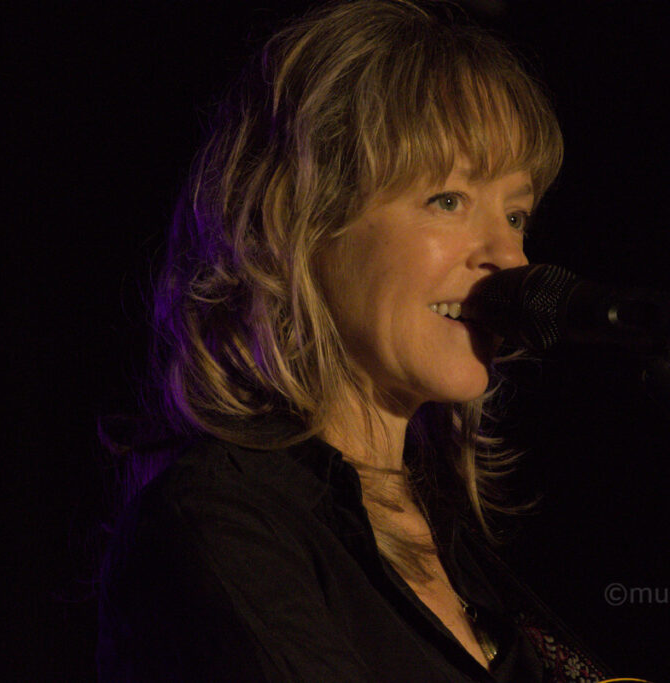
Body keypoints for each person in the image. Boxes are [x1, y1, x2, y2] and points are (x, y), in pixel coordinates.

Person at [97, 1, 614, 680]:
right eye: (449, 199)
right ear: (303, 223)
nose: (510, 258)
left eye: (516, 214)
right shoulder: (224, 523)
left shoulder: (459, 547)